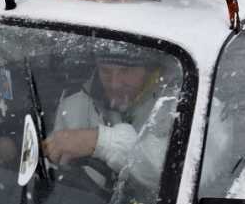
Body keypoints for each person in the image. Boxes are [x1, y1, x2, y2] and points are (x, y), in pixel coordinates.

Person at [41, 44, 179, 189]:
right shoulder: (75, 103)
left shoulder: (177, 103)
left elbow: (173, 173)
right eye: (105, 71)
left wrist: (101, 141)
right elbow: (54, 163)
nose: (115, 84)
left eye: (126, 71)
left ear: (148, 70)